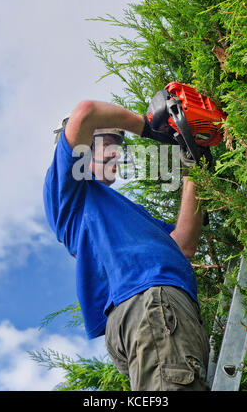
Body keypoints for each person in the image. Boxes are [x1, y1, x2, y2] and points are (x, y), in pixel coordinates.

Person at [43, 99, 210, 391]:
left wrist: (194, 170)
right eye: (107, 142)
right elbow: (86, 114)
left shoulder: (130, 214)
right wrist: (151, 130)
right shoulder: (69, 192)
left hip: (163, 306)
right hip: (147, 304)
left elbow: (183, 244)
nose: (116, 153)